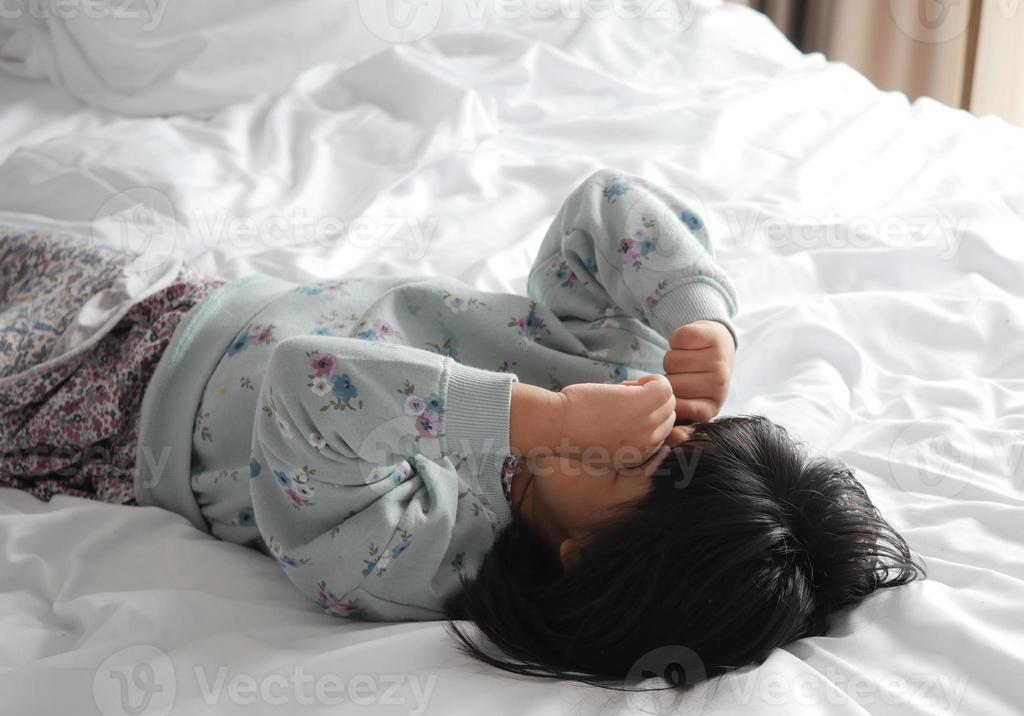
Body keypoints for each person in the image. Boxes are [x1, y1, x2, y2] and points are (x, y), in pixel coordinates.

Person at [0, 170, 921, 685]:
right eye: (685, 435)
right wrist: (701, 317)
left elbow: (308, 385)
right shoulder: (611, 375)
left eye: (650, 465)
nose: (650, 426)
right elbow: (606, 210)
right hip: (173, 293)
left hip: (96, 404)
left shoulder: (429, 553)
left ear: (584, 556)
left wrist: (540, 417)